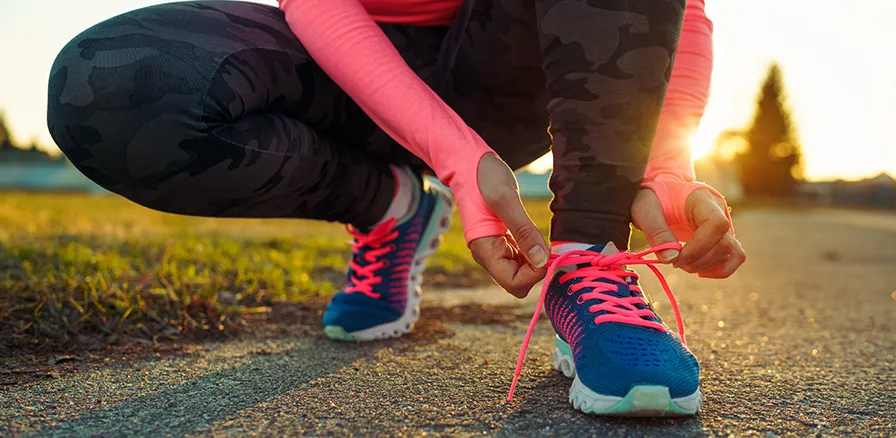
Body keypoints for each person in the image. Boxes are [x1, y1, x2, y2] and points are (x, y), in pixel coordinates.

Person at [48, 0, 744, 416]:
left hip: (514, 68)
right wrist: (455, 162)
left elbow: (684, 11)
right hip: (345, 63)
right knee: (110, 88)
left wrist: (662, 168)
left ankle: (585, 258)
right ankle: (390, 207)